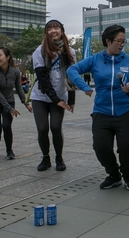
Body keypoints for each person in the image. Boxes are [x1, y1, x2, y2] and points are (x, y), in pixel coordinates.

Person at [67, 25, 129, 190]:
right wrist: (84, 87)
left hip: (127, 111)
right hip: (102, 111)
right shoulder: (95, 59)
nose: (122, 44)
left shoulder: (128, 60)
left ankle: (128, 175)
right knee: (100, 147)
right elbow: (72, 69)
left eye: (124, 41)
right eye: (119, 41)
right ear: (108, 41)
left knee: (127, 146)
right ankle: (114, 175)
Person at [27, 20, 76, 172]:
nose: (53, 31)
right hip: (40, 96)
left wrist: (71, 100)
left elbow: (72, 76)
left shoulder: (70, 51)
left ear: (62, 30)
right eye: (50, 29)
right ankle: (46, 157)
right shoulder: (40, 51)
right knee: (42, 128)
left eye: (56, 28)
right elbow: (43, 79)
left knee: (55, 127)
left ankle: (59, 158)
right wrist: (57, 101)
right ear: (46, 32)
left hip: (60, 95)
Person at [0, 47, 26, 160]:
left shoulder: (15, 72)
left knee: (7, 126)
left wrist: (25, 103)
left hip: (9, 101)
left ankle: (9, 150)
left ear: (7, 57)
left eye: (0, 55)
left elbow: (19, 89)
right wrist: (10, 109)